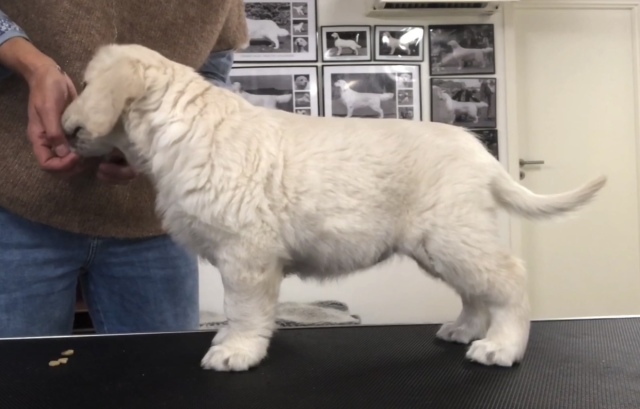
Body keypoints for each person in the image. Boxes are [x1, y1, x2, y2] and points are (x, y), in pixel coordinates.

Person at [0, 2, 248, 338]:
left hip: (153, 218)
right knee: (20, 371)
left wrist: (154, 136)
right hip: (16, 207)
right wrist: (34, 67)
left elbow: (211, 74)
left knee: (163, 370)